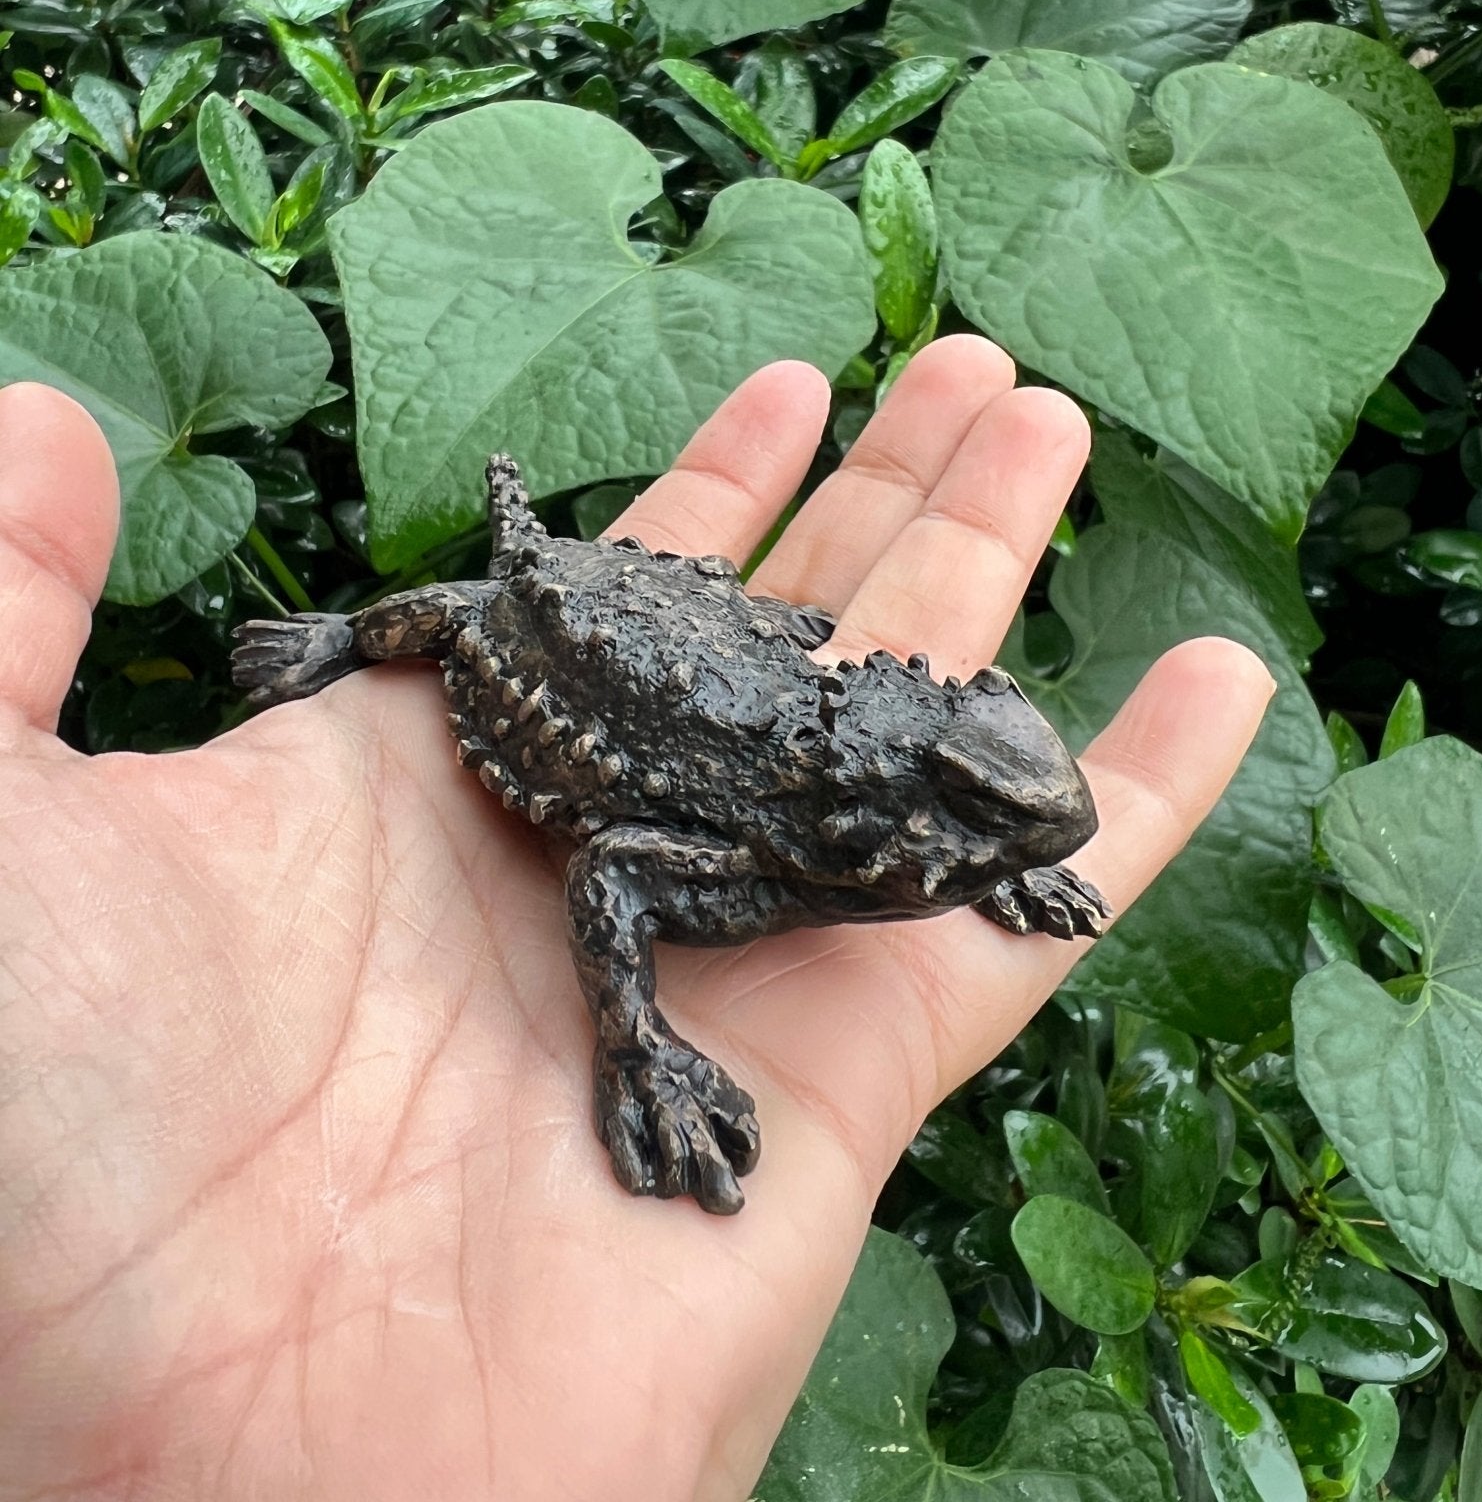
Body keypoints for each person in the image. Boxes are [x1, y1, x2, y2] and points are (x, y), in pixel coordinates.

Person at [0, 335, 1272, 1500]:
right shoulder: (755, 845)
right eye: (971, 827)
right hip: (572, 626)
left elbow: (912, 816)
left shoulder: (862, 827)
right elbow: (608, 865)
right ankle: (362, 625)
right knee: (471, 609)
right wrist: (635, 1039)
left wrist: (992, 867)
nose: (979, 845)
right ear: (877, 813)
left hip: (719, 643)